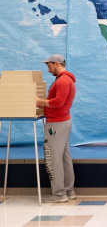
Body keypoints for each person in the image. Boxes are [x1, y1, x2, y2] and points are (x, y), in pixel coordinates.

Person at [35, 54, 76, 203]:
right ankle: (69, 191)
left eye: (49, 66)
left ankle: (59, 194)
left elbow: (58, 102)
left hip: (56, 124)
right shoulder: (67, 79)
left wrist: (41, 102)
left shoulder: (63, 81)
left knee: (53, 159)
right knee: (64, 157)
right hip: (62, 122)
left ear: (56, 63)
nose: (48, 69)